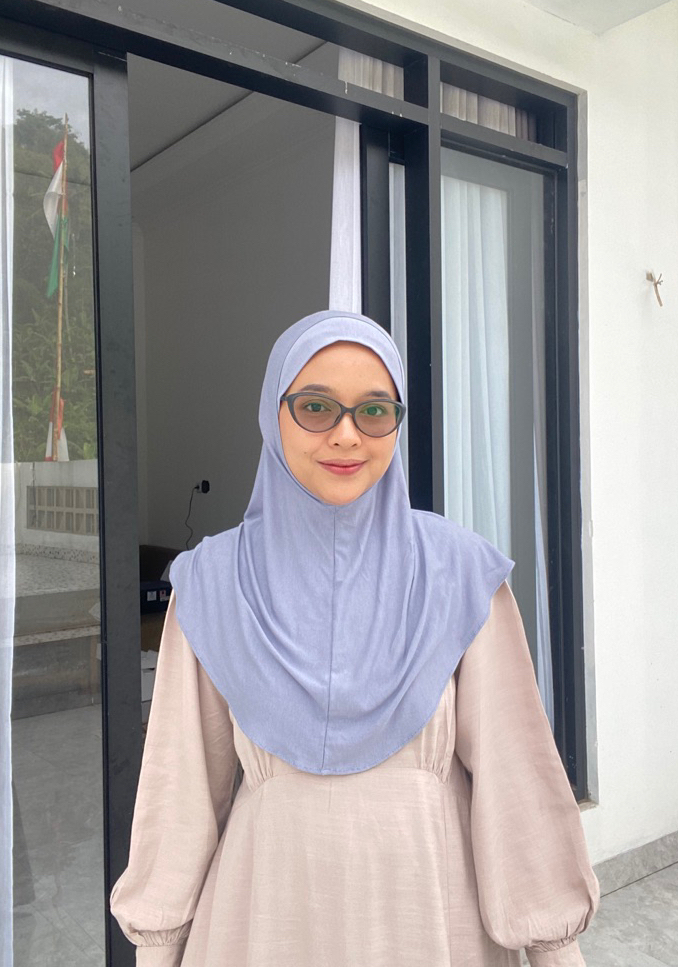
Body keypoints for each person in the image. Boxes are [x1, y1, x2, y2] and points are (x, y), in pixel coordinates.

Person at [110, 310, 599, 966]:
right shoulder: (214, 581)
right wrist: (157, 948)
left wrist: (556, 948)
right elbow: (180, 792)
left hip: (431, 920)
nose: (346, 435)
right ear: (273, 415)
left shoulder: (457, 573)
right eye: (316, 407)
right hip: (265, 924)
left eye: (373, 411)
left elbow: (518, 782)